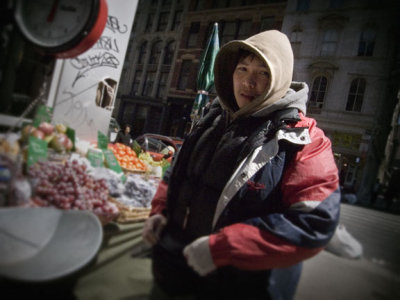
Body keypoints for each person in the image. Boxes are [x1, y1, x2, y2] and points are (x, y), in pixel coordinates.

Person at [142, 30, 340, 300]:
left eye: (263, 73)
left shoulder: (303, 140)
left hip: (243, 287)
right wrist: (159, 211)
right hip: (175, 271)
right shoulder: (211, 118)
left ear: (280, 78)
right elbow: (177, 172)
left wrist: (222, 248)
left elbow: (314, 222)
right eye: (242, 69)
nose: (248, 81)